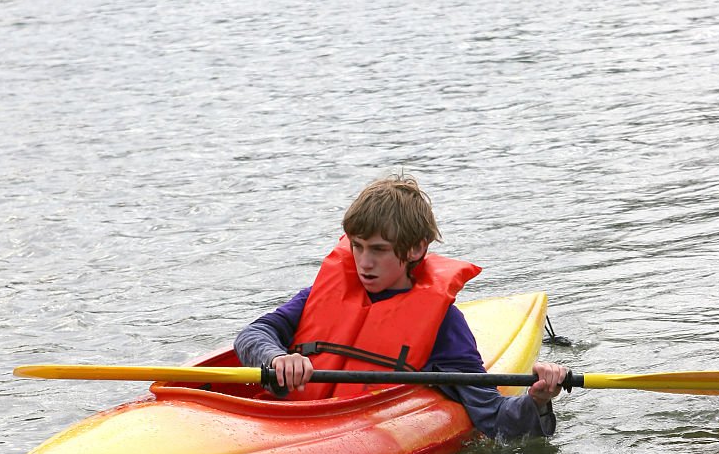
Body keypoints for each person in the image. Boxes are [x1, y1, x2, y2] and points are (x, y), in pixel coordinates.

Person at [234, 176, 567, 438]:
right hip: (284, 420)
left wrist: (537, 399)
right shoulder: (318, 297)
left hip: (351, 432)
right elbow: (253, 334)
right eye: (358, 246)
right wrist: (276, 358)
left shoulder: (443, 325)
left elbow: (494, 417)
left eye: (378, 249)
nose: (364, 262)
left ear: (416, 249)